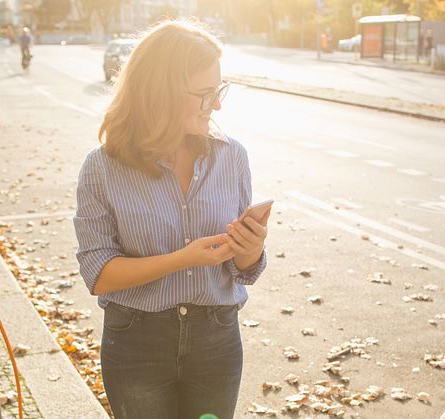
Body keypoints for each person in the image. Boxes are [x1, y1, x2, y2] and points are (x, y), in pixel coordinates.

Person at [74, 19, 269, 419]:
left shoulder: (231, 157)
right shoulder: (101, 168)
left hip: (217, 339)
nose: (217, 105)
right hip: (137, 343)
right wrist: (184, 258)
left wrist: (251, 250)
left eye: (219, 90)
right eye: (205, 94)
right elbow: (99, 275)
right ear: (158, 93)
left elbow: (241, 269)